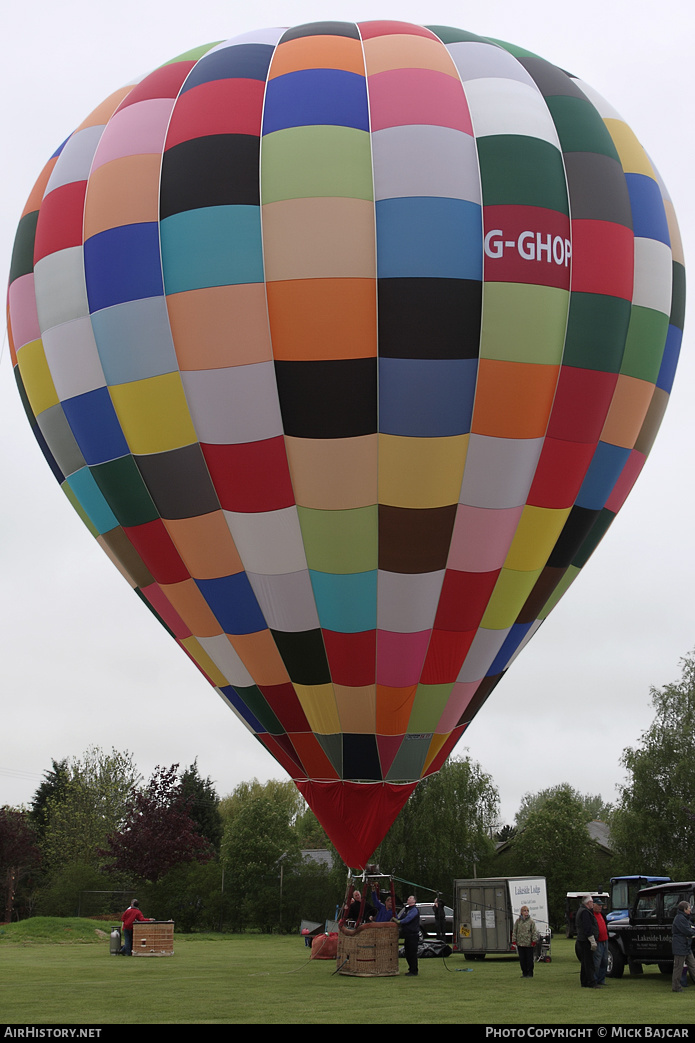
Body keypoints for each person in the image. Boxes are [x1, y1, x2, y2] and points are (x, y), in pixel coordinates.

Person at [575, 896, 600, 988]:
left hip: (582, 940)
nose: (593, 904)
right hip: (585, 941)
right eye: (592, 902)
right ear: (588, 903)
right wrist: (592, 941)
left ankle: (584, 981)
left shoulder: (581, 910)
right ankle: (591, 982)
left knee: (585, 962)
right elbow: (587, 928)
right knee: (589, 963)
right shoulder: (585, 912)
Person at [671, 900, 695, 992]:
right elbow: (687, 931)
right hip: (680, 946)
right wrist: (692, 932)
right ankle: (676, 987)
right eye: (689, 908)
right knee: (678, 967)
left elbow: (691, 928)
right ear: (684, 909)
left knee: (693, 965)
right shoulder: (679, 918)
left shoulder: (685, 918)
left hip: (686, 946)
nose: (690, 910)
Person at [512, 905, 539, 978]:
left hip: (528, 944)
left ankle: (530, 973)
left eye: (527, 911)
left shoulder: (531, 922)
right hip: (520, 943)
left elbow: (534, 932)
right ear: (521, 912)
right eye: (525, 911)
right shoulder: (518, 921)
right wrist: (514, 940)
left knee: (529, 959)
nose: (526, 912)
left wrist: (534, 941)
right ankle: (524, 973)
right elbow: (515, 931)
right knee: (522, 959)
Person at [398, 895, 421, 976]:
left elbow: (408, 919)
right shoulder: (406, 909)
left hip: (413, 935)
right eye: (408, 898)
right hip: (407, 935)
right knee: (407, 953)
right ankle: (411, 969)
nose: (408, 899)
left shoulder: (414, 910)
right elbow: (400, 918)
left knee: (412, 953)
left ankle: (414, 970)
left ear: (414, 901)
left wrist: (400, 922)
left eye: (410, 898)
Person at [592, 898, 609, 986]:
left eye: (601, 905)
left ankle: (601, 979)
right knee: (597, 962)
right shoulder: (592, 915)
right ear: (593, 905)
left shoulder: (602, 915)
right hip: (598, 941)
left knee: (604, 961)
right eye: (598, 905)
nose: (600, 907)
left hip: (605, 940)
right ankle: (594, 979)